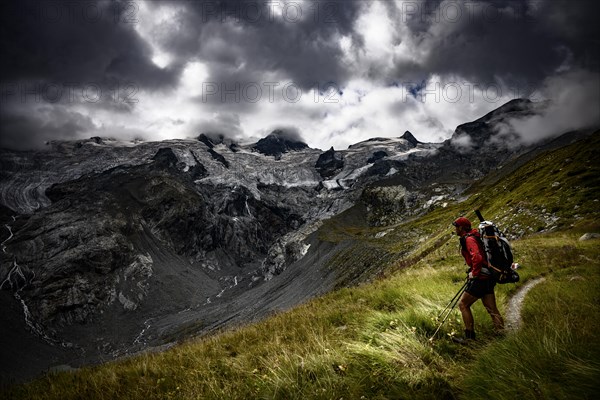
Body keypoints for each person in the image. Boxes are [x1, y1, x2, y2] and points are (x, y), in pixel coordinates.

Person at [452, 217, 504, 343]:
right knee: (492, 308)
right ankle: (501, 334)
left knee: (463, 304)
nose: (455, 229)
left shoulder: (469, 239)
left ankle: (469, 338)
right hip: (489, 277)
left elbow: (477, 257)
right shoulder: (475, 236)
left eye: (456, 226)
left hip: (480, 278)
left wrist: (474, 273)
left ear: (462, 228)